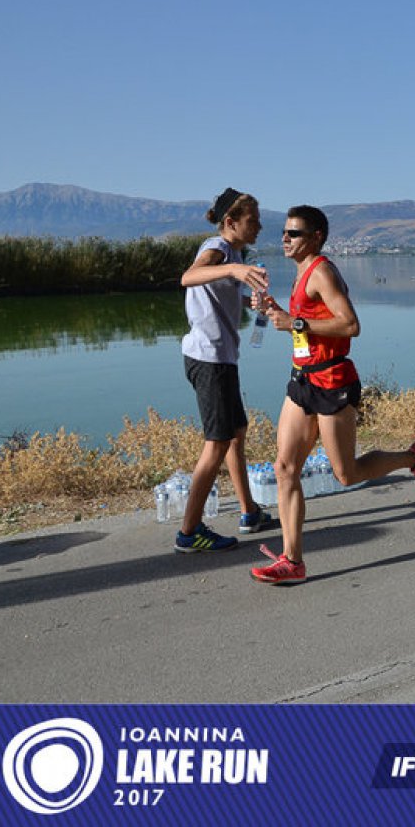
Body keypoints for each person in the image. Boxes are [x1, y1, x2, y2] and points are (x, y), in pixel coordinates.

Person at [252, 204, 415, 584]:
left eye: (294, 233)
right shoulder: (301, 271)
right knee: (284, 468)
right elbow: (308, 326)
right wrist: (276, 312)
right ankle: (292, 560)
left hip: (332, 381)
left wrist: (295, 322)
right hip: (302, 380)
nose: (285, 238)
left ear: (316, 237)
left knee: (346, 473)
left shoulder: (321, 271)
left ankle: (414, 457)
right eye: (284, 232)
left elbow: (351, 324)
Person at [175, 187, 271, 554]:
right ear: (231, 222)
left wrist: (252, 302)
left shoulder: (233, 254)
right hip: (208, 360)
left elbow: (220, 292)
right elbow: (188, 277)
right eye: (253, 220)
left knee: (236, 434)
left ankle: (249, 512)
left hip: (223, 359)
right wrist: (234, 268)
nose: (259, 226)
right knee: (216, 443)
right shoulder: (216, 248)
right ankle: (189, 532)